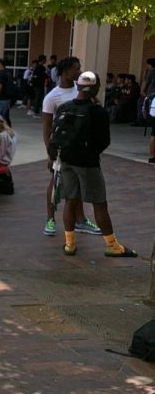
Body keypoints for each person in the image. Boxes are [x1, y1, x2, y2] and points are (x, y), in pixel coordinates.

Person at [55, 72, 136, 258]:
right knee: (99, 203)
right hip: (87, 163)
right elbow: (104, 141)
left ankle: (69, 244)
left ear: (78, 86)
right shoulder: (98, 111)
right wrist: (91, 153)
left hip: (65, 159)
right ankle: (112, 245)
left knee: (70, 200)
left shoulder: (64, 107)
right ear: (96, 88)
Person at [41, 56, 100, 237]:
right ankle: (50, 220)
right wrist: (50, 154)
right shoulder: (52, 97)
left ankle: (80, 221)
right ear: (65, 72)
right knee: (55, 183)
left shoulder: (82, 91)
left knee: (78, 185)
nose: (79, 72)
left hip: (80, 150)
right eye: (76, 68)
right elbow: (47, 127)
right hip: (61, 149)